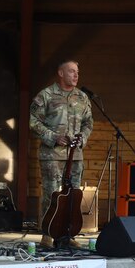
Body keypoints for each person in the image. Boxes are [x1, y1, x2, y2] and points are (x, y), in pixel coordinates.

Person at [29, 60, 93, 248]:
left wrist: (83, 138)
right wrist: (53, 136)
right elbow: (33, 122)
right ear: (60, 73)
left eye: (77, 72)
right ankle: (48, 234)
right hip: (52, 155)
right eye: (71, 71)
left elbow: (88, 122)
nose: (76, 75)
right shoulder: (46, 95)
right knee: (52, 194)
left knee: (73, 195)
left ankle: (67, 235)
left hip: (75, 156)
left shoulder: (82, 97)